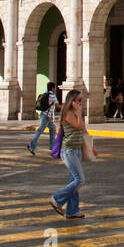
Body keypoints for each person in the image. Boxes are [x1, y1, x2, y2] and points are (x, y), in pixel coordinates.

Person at [49, 90, 87, 219]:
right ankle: (57, 199)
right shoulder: (68, 113)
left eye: (82, 100)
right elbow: (78, 126)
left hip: (77, 149)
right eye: (79, 100)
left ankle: (72, 211)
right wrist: (79, 113)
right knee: (79, 180)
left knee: (74, 181)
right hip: (69, 150)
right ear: (72, 101)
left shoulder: (75, 113)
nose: (81, 102)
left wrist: (91, 146)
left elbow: (83, 129)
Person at [29, 82, 58, 155]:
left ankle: (52, 146)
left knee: (53, 128)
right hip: (46, 116)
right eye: (55, 87)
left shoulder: (46, 94)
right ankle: (31, 146)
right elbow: (57, 106)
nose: (55, 88)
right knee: (39, 130)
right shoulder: (53, 96)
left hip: (44, 115)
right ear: (52, 88)